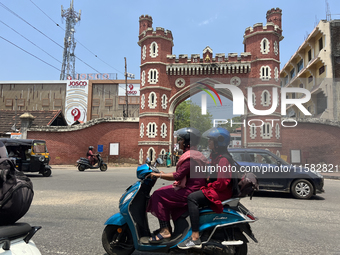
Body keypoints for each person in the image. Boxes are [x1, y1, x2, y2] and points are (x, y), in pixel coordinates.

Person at [146, 127, 208, 244]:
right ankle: (170, 229)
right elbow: (182, 174)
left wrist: (158, 176)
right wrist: (163, 174)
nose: (179, 142)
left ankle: (165, 230)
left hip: (190, 190)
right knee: (164, 193)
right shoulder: (194, 154)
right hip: (192, 187)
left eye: (181, 140)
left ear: (186, 142)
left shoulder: (190, 158)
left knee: (158, 194)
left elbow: (178, 175)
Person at [178, 127, 233, 249]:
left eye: (211, 140)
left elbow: (222, 183)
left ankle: (195, 237)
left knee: (192, 197)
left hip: (222, 192)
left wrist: (208, 185)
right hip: (219, 189)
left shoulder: (223, 159)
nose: (208, 142)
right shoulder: (217, 156)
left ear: (219, 142)